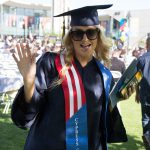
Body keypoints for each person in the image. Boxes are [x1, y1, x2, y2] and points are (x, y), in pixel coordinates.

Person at [11, 5, 133, 150]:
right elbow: (24, 118)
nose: (85, 39)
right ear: (70, 37)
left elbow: (101, 121)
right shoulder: (50, 64)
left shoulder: (104, 75)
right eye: (78, 33)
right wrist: (29, 82)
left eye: (91, 32)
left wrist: (117, 98)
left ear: (98, 36)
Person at [136, 36, 150, 149]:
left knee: (145, 117)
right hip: (145, 92)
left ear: (147, 45)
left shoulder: (142, 59)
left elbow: (137, 78)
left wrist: (137, 93)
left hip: (145, 92)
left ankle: (147, 135)